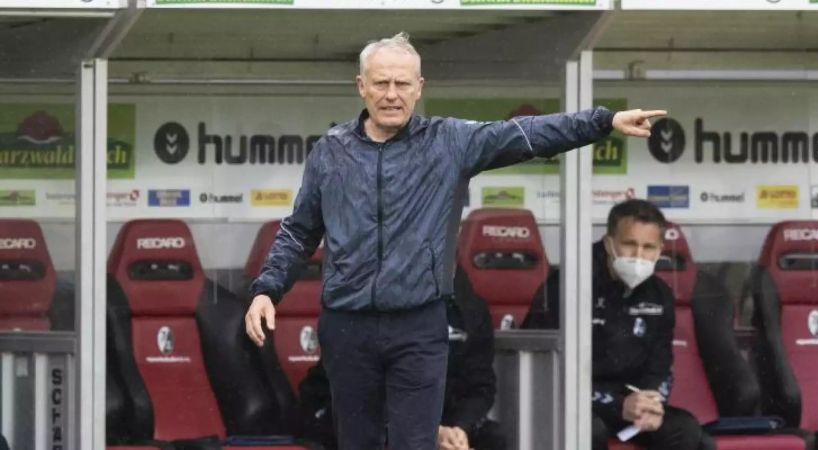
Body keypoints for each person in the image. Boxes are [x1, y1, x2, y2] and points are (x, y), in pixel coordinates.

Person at [244, 31, 665, 450]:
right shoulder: (330, 152)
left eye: (403, 83)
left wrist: (604, 122)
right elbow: (299, 231)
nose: (392, 94)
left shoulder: (450, 142)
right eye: (381, 83)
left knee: (414, 444)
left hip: (419, 325)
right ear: (362, 86)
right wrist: (267, 289)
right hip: (347, 326)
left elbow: (526, 134)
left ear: (419, 87)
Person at [523, 199, 704, 450]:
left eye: (649, 247)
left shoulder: (660, 294)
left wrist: (651, 401)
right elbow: (546, 370)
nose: (639, 256)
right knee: (586, 431)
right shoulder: (569, 284)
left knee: (686, 430)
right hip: (572, 403)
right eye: (630, 244)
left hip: (628, 404)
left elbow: (661, 363)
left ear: (661, 249)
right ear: (609, 243)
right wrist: (616, 403)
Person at [296, 280, 504, 450]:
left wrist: (459, 429)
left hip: (438, 417)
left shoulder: (470, 308)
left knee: (492, 438)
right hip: (351, 408)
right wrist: (429, 432)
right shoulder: (368, 298)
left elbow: (481, 385)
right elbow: (361, 389)